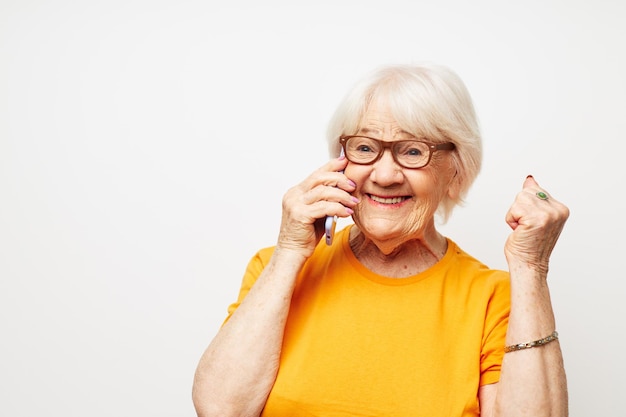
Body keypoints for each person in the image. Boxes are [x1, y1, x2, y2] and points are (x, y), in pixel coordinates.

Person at [191, 63, 569, 417]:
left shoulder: (494, 297)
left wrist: (531, 269)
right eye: (365, 148)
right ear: (340, 161)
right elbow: (221, 409)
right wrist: (290, 252)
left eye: (413, 151)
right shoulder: (276, 270)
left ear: (456, 172)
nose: (385, 175)